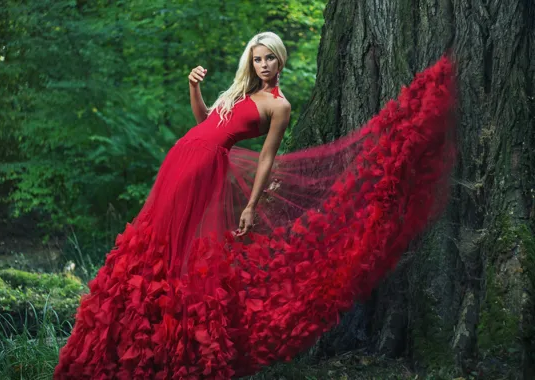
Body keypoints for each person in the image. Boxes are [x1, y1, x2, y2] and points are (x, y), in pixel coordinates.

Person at [54, 32, 456, 379]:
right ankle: (136, 329)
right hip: (181, 157)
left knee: (182, 246)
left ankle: (169, 340)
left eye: (270, 58)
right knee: (156, 239)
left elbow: (266, 157)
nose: (264, 64)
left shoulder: (278, 105)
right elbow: (206, 121)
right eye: (258, 58)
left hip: (206, 167)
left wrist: (251, 204)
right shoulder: (241, 91)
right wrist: (193, 88)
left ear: (280, 60)